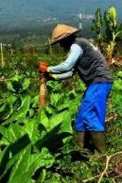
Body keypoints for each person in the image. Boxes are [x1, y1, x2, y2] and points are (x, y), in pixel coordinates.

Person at [39, 24, 113, 154]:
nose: (61, 46)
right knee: (81, 117)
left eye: (60, 43)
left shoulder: (77, 45)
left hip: (99, 82)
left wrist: (48, 69)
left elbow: (67, 66)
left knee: (90, 115)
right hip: (95, 84)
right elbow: (70, 72)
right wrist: (53, 77)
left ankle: (101, 154)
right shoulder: (78, 47)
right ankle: (81, 150)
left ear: (66, 39)